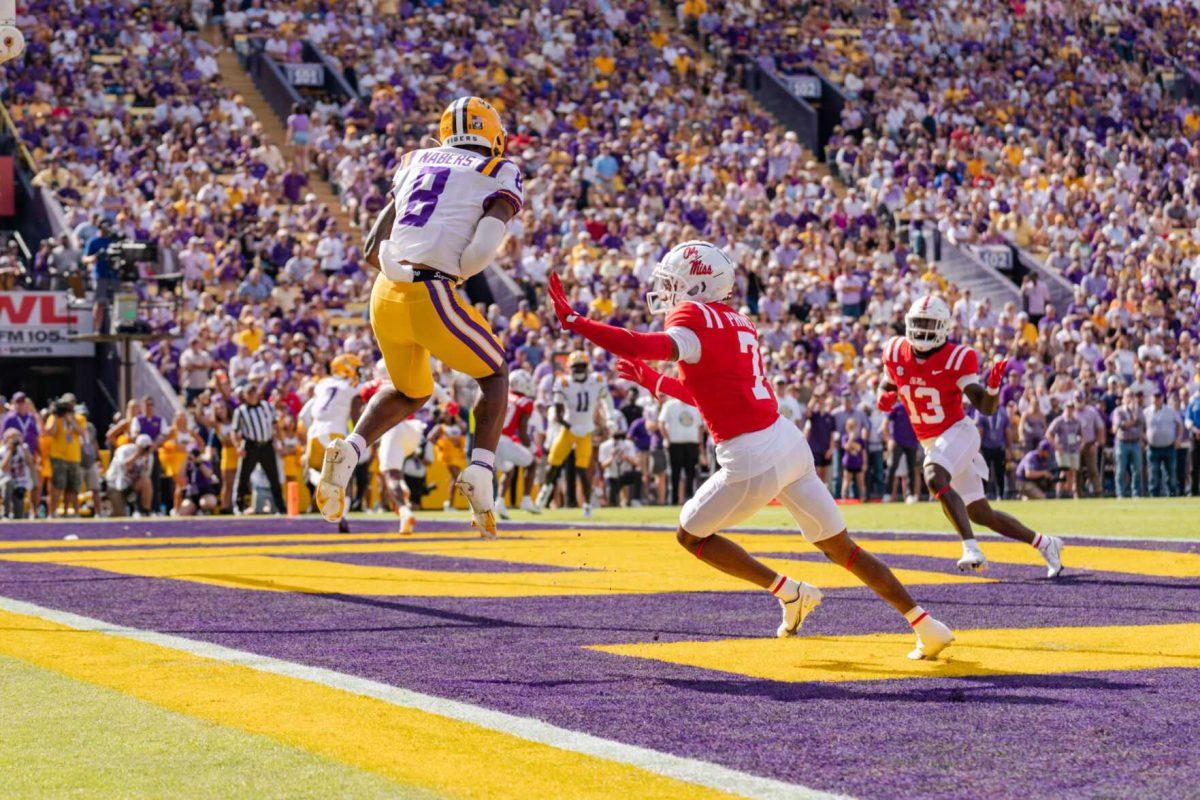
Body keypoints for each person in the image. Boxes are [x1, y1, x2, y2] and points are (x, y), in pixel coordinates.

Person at [548, 242, 954, 660]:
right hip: (787, 442)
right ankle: (925, 623)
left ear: (699, 284)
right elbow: (708, 392)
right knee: (843, 549)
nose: (668, 291)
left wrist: (577, 322)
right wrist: (654, 383)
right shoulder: (739, 322)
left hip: (750, 456)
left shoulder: (692, 315)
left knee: (691, 535)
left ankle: (788, 591)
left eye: (675, 283)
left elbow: (640, 345)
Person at [317, 97, 522, 538]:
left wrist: (405, 267)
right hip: (431, 290)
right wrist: (457, 271)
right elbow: (485, 246)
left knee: (410, 391)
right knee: (494, 374)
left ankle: (351, 449)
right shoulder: (498, 170)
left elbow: (373, 246)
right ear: (493, 135)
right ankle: (482, 473)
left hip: (384, 294)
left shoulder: (414, 160)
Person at [879, 296, 1064, 577]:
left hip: (958, 433)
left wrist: (992, 389)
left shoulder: (958, 356)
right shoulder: (894, 350)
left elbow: (985, 408)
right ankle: (1045, 543)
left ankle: (971, 547)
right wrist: (884, 395)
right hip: (933, 441)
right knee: (980, 513)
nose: (923, 330)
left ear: (943, 327)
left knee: (932, 475)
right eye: (918, 323)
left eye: (929, 324)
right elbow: (889, 381)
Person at [536, 350, 611, 515]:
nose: (578, 370)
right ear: (570, 368)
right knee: (553, 463)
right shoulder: (563, 382)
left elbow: (606, 400)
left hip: (586, 430)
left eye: (581, 366)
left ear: (586, 366)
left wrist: (610, 418)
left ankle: (587, 505)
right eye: (575, 367)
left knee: (583, 470)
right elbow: (558, 413)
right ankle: (544, 493)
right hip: (568, 430)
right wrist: (569, 426)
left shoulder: (596, 380)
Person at [300, 353, 364, 529]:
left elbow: (304, 415)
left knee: (310, 471)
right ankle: (343, 515)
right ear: (347, 368)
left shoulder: (322, 384)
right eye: (355, 367)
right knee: (346, 477)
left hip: (315, 432)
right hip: (335, 431)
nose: (358, 371)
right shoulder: (351, 385)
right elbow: (366, 391)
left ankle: (321, 480)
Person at [232, 382, 285, 514]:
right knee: (243, 477)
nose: (252, 396)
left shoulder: (267, 406)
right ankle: (239, 506)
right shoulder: (240, 411)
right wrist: (238, 447)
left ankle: (280, 507)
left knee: (274, 477)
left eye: (253, 392)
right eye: (249, 393)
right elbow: (234, 431)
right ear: (244, 396)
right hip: (251, 446)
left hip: (267, 445)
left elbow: (275, 425)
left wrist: (279, 441)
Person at [495, 368, 539, 517]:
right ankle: (526, 499)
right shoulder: (525, 402)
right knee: (532, 463)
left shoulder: (502, 395)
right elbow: (522, 430)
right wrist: (533, 447)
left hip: (492, 439)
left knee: (509, 468)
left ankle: (499, 503)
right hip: (505, 440)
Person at [45, 394, 87, 517]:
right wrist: (55, 414)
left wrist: (71, 420)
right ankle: (52, 513)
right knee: (57, 485)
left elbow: (82, 433)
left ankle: (70, 512)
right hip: (58, 456)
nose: (68, 406)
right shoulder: (55, 417)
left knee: (73, 487)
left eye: (70, 403)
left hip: (74, 457)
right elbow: (50, 432)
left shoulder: (79, 418)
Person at [659, 390, 702, 504]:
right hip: (675, 444)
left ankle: (690, 499)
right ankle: (673, 500)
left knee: (691, 473)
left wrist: (699, 444)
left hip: (692, 443)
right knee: (674, 473)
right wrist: (667, 439)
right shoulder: (669, 405)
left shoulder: (694, 405)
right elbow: (661, 423)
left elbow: (700, 426)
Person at [1144, 391, 1184, 497]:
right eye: (1155, 397)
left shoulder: (1170, 411)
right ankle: (1154, 496)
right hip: (1153, 447)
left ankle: (1171, 495)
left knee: (1170, 474)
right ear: (1151, 398)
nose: (1157, 399)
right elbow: (1141, 426)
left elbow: (1180, 424)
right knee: (1153, 474)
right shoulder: (1147, 411)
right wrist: (1144, 439)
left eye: (1159, 397)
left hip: (1169, 447)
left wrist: (1179, 438)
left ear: (1162, 398)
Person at [106, 434, 155, 517]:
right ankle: (110, 512)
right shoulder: (124, 450)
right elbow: (123, 467)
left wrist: (145, 462)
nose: (145, 450)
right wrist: (136, 455)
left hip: (130, 484)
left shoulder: (149, 456)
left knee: (146, 482)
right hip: (115, 484)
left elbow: (146, 475)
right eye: (143, 447)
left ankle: (145, 511)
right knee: (120, 515)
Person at [1046, 398, 1084, 498]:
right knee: (1064, 471)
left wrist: (1080, 444)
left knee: (1072, 472)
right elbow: (1049, 434)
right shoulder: (1059, 421)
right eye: (1068, 407)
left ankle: (1069, 493)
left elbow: (1081, 435)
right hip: (1063, 450)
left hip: (1073, 449)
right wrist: (1056, 446)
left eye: (1071, 407)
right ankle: (1059, 493)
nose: (1070, 409)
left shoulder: (1076, 421)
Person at [1112, 389, 1145, 499]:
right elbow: (1121, 425)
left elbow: (1141, 423)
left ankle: (1135, 493)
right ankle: (1120, 493)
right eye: (1128, 396)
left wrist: (1134, 416)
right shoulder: (1119, 411)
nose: (1130, 398)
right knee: (1121, 470)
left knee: (1137, 469)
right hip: (1123, 443)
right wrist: (1133, 421)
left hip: (1135, 442)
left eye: (1132, 395)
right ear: (1123, 398)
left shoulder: (1138, 410)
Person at [598, 426, 641, 507]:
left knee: (637, 475)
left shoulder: (628, 444)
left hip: (624, 474)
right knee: (612, 502)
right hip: (612, 476)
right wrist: (612, 457)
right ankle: (614, 502)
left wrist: (625, 457)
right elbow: (603, 466)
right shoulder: (604, 446)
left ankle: (635, 500)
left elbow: (636, 463)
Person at [0, 428, 34, 518]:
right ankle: (5, 514)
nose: (15, 440)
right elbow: (4, 468)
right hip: (4, 482)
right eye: (12, 437)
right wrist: (10, 450)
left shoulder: (23, 449)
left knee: (19, 512)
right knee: (8, 482)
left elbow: (30, 464)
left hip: (20, 483)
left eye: (17, 437)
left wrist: (23, 447)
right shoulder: (3, 450)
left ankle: (19, 517)